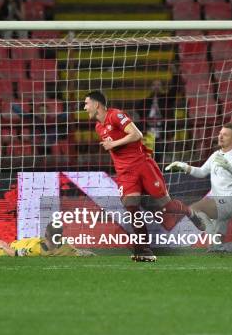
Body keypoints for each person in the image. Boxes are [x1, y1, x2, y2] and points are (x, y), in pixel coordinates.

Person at [83, 90, 206, 262]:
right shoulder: (98, 126)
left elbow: (137, 134)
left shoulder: (116, 115)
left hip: (143, 165)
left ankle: (189, 212)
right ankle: (144, 249)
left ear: (97, 105)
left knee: (167, 206)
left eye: (87, 103)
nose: (84, 107)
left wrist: (114, 143)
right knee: (131, 206)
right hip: (125, 172)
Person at [165, 123, 232, 252]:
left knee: (195, 208)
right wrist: (183, 166)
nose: (220, 137)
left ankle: (216, 242)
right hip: (218, 200)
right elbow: (201, 172)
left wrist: (229, 167)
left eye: (225, 135)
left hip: (229, 201)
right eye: (220, 134)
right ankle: (220, 247)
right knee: (216, 241)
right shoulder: (216, 155)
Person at [0, 222, 95, 257]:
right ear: (60, 236)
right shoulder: (66, 247)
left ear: (46, 233)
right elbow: (80, 253)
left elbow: (14, 254)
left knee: (7, 250)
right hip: (37, 240)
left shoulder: (36, 249)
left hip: (27, 245)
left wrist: (4, 246)